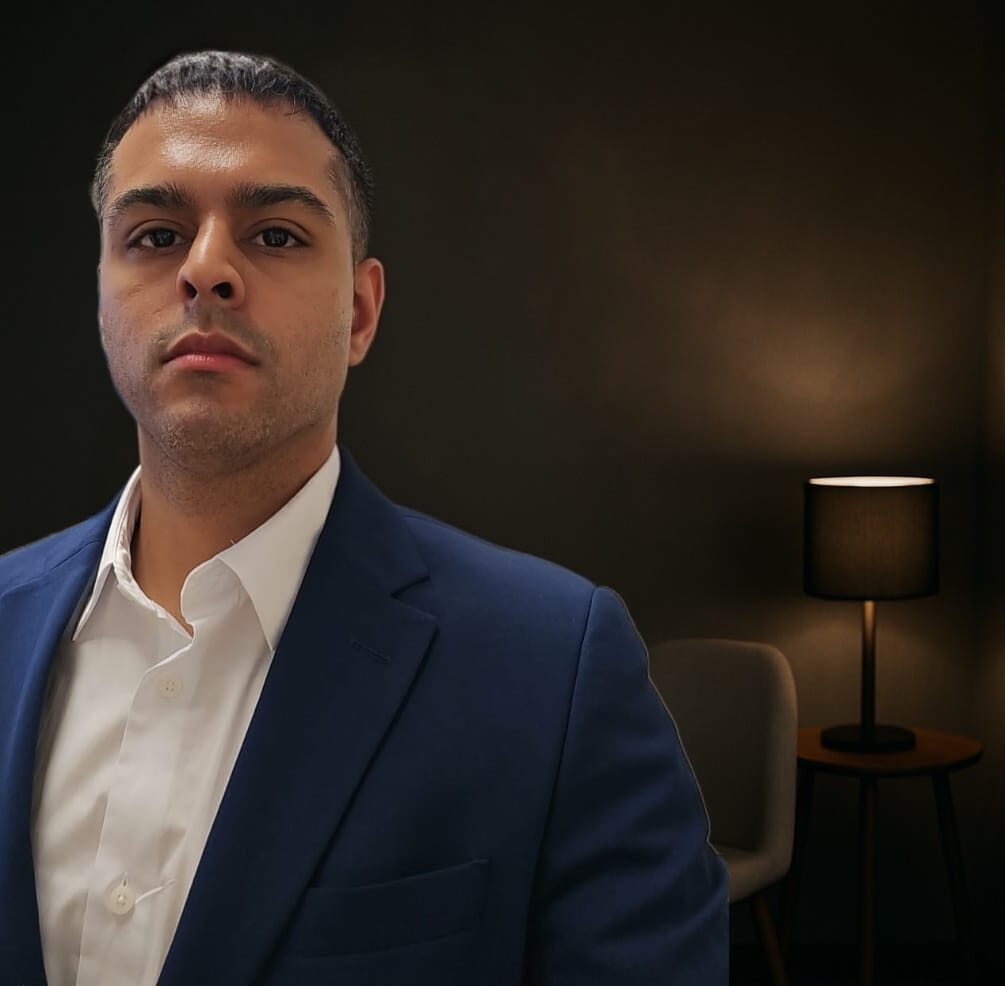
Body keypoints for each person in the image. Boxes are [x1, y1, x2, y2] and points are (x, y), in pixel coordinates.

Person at [0, 50, 728, 986]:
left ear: (360, 311)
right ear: (102, 298)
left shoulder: (558, 672)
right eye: (153, 234)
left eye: (274, 236)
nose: (207, 268)